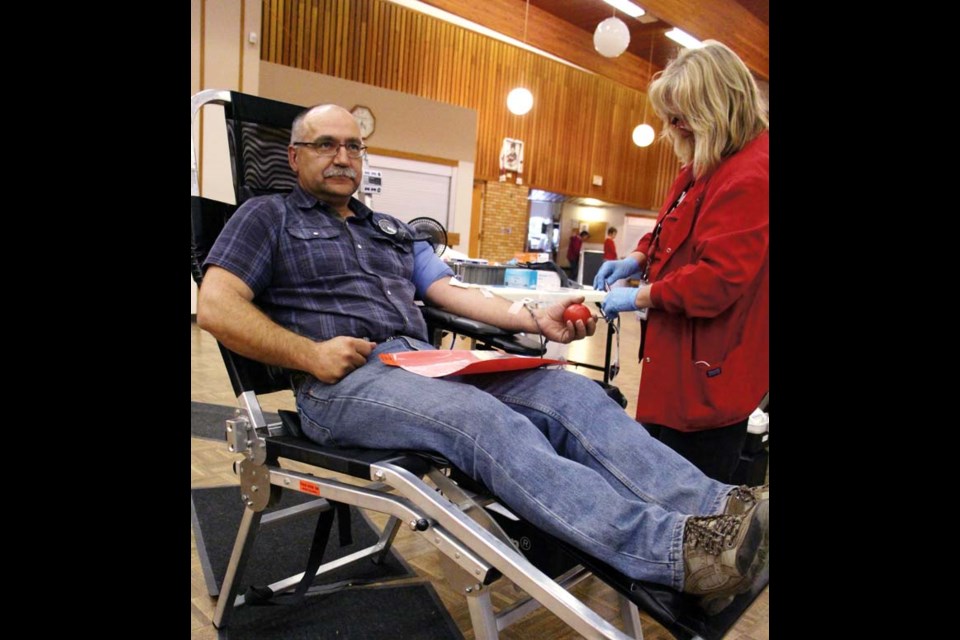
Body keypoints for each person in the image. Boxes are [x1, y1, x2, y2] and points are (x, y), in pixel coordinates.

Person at [197, 103, 768, 612]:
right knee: (480, 421)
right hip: (342, 381)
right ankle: (673, 552)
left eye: (353, 145)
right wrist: (310, 354)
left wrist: (530, 319)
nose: (342, 156)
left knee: (570, 391)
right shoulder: (268, 216)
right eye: (326, 144)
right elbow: (219, 307)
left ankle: (727, 513)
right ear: (293, 156)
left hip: (420, 366)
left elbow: (452, 295)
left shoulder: (390, 230)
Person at [594, 41, 769, 484]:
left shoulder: (751, 174)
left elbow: (717, 279)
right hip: (672, 366)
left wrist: (641, 296)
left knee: (682, 500)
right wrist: (636, 258)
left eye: (680, 116)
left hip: (707, 375)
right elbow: (672, 225)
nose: (671, 127)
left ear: (715, 108)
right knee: (649, 475)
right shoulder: (703, 164)